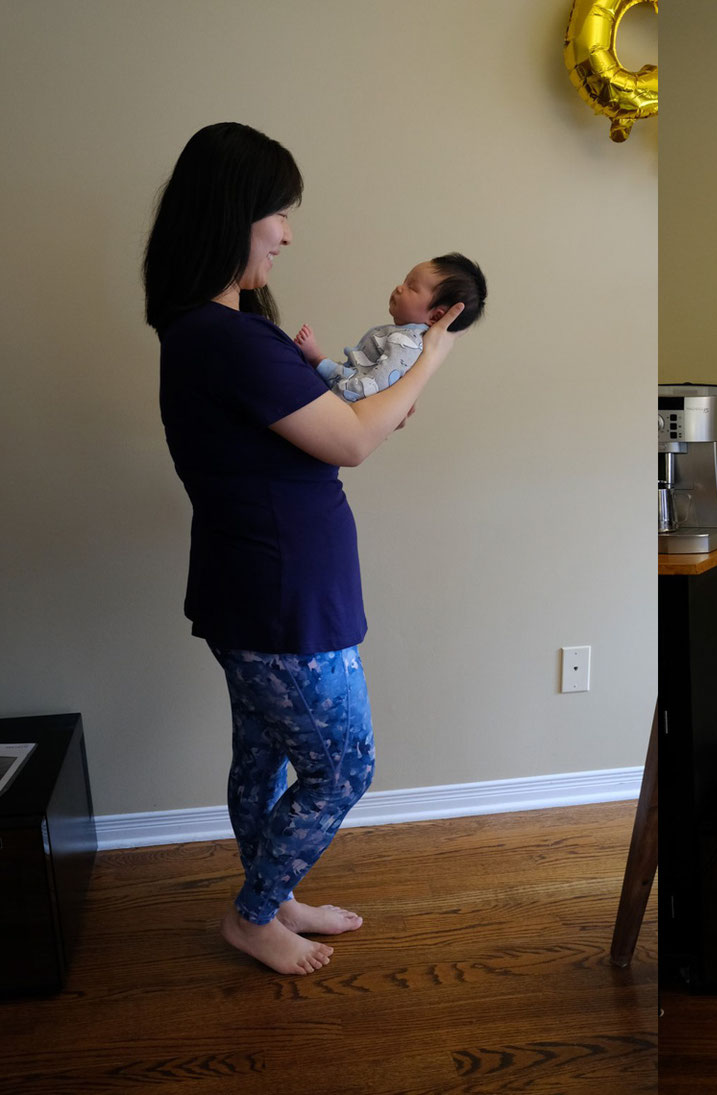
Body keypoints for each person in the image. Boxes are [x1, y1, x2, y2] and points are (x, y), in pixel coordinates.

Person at [144, 122, 465, 976]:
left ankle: (275, 889)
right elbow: (354, 442)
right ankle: (253, 915)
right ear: (233, 214)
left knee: (264, 751)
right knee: (343, 766)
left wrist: (382, 402)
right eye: (277, 214)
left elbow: (343, 427)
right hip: (281, 592)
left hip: (253, 583)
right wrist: (431, 357)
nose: (287, 233)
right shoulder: (226, 337)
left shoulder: (208, 331)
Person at [294, 254, 486, 402]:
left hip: (341, 403)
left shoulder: (406, 343)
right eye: (405, 281)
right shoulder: (402, 336)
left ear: (435, 316)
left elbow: (371, 385)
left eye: (412, 287)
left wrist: (322, 373)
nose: (399, 288)